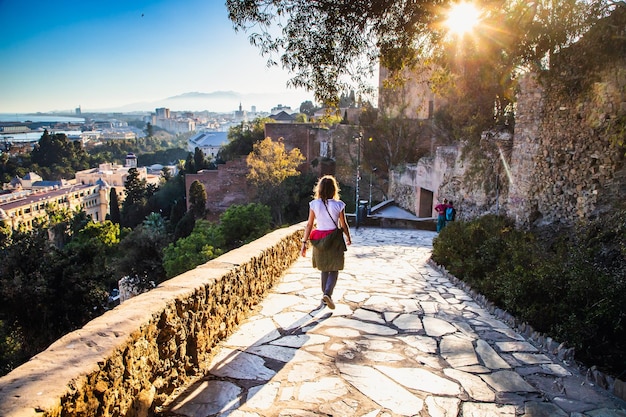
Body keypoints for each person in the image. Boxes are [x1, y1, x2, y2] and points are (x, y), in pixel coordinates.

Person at [301, 175, 352, 309]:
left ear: (320, 189)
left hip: (319, 238)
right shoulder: (339, 205)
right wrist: (348, 237)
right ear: (334, 189)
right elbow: (344, 224)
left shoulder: (314, 204)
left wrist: (304, 243)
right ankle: (328, 294)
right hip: (334, 239)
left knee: (324, 269)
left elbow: (309, 224)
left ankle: (325, 297)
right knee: (334, 268)